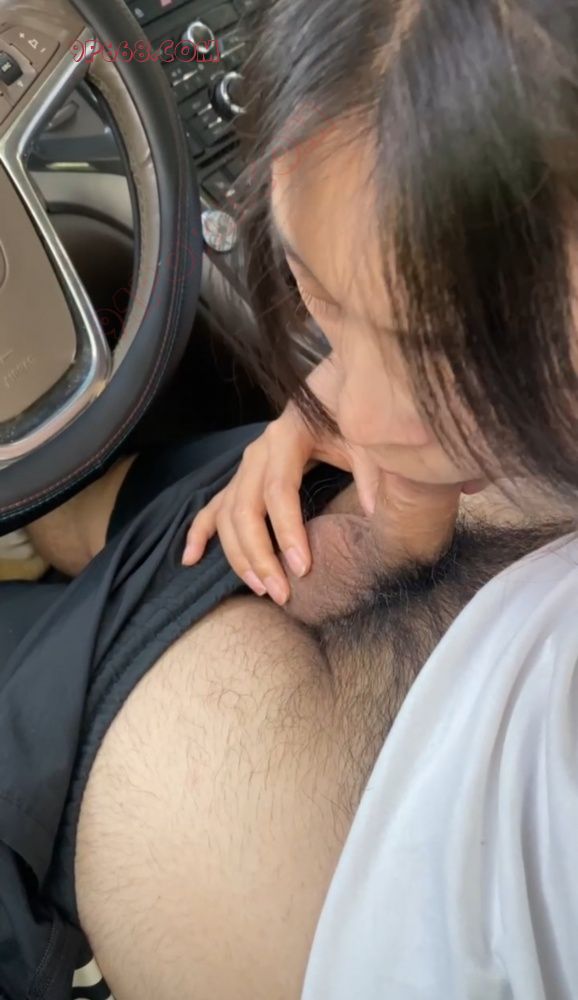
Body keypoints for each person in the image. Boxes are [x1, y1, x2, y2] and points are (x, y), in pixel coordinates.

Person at [2, 1, 578, 999]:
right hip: (239, 528)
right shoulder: (381, 415)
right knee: (73, 509)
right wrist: (371, 441)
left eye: (463, 353)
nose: (363, 408)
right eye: (321, 295)